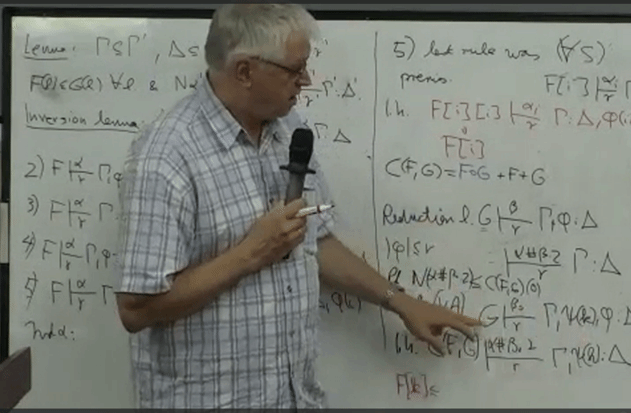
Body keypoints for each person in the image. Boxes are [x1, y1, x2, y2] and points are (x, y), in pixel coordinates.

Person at [113, 3, 481, 409]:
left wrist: (399, 300)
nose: (305, 80)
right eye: (295, 69)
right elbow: (136, 308)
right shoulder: (165, 158)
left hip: (293, 399)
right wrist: (251, 253)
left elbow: (312, 240)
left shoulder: (288, 129)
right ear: (245, 72)